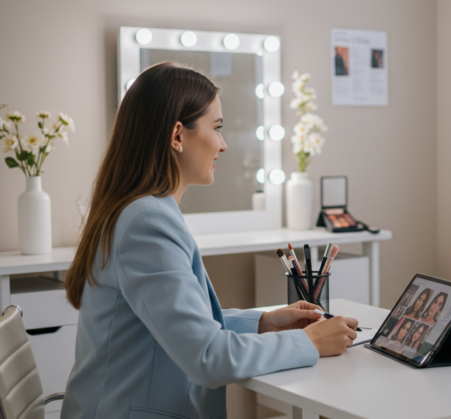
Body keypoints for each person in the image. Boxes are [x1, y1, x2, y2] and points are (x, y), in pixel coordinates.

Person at [61, 62, 358, 419]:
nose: (224, 144)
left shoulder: (142, 211)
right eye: (216, 128)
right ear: (177, 135)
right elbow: (206, 357)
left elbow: (176, 326)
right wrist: (309, 342)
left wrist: (263, 322)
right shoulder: (146, 222)